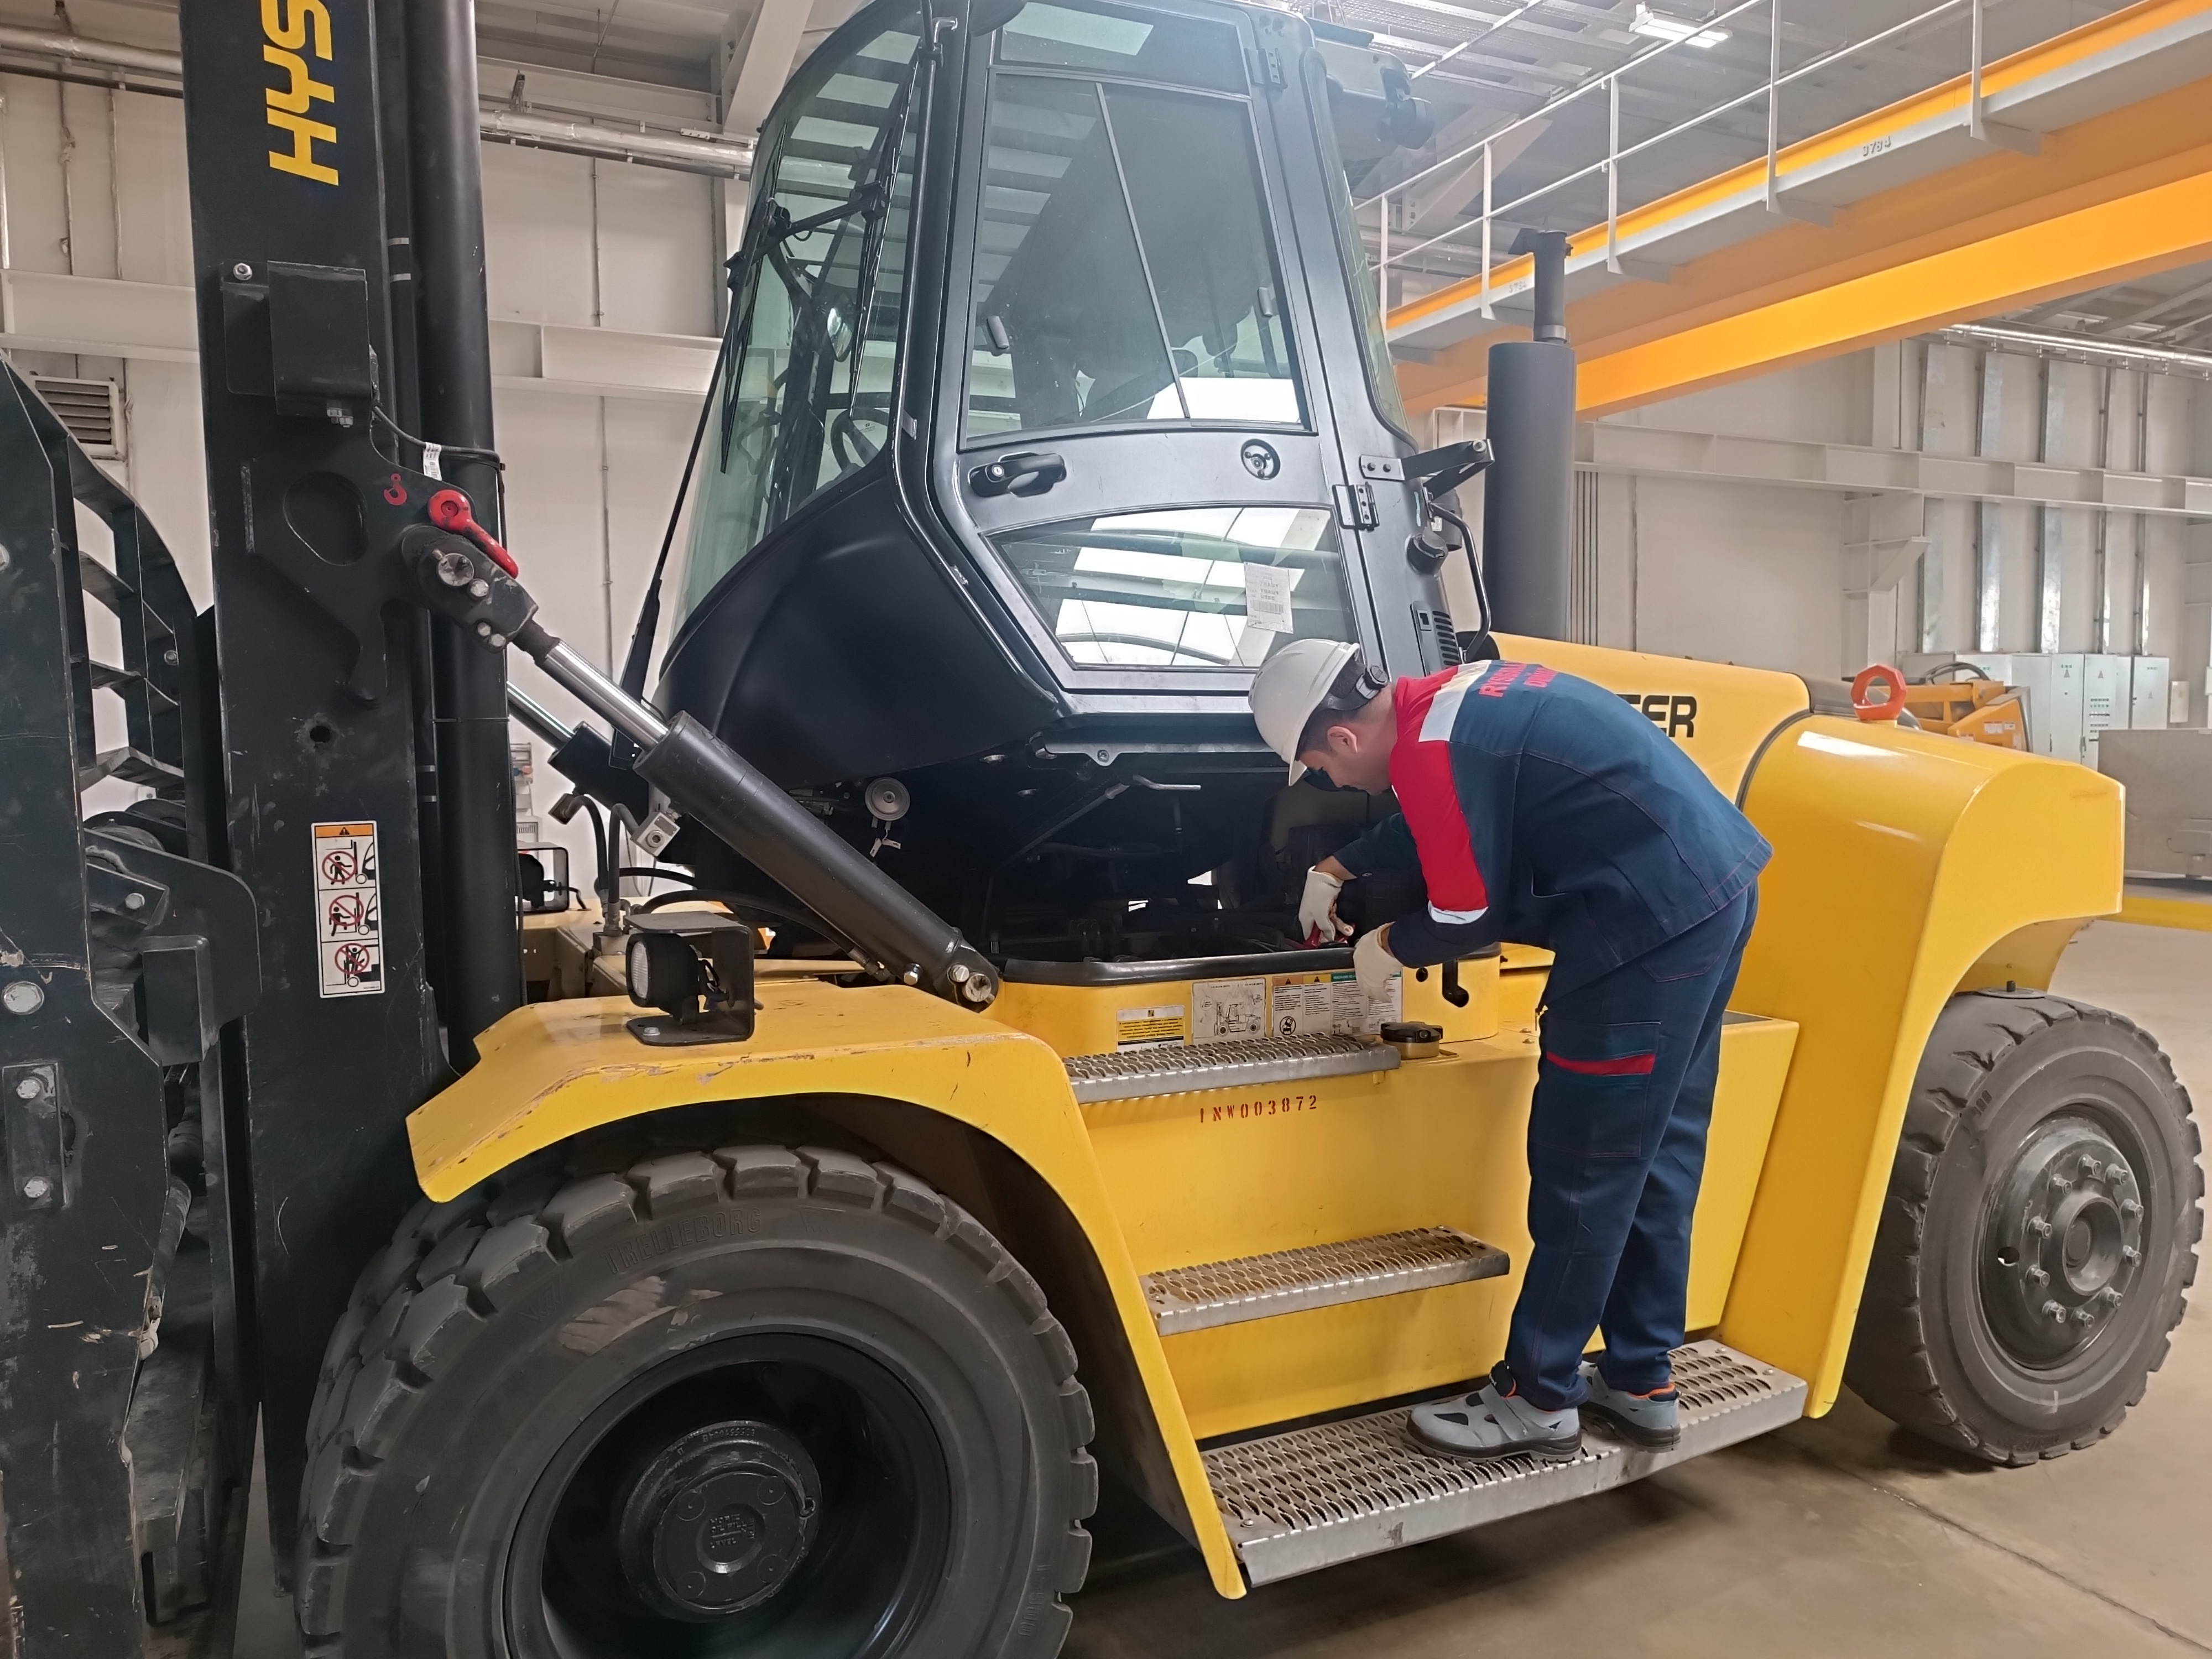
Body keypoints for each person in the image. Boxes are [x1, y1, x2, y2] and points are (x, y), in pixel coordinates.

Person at [1248, 638, 1770, 1462]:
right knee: (1657, 1149)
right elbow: (1455, 811)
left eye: (1322, 769)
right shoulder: (1453, 701)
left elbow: (1466, 915)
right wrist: (1340, 865)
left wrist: (1387, 948)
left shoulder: (1427, 751)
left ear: (1343, 737)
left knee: (1585, 1166)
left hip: (1640, 929)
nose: (1334, 785)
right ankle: (1641, 1378)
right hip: (1707, 895)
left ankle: (1539, 1397)